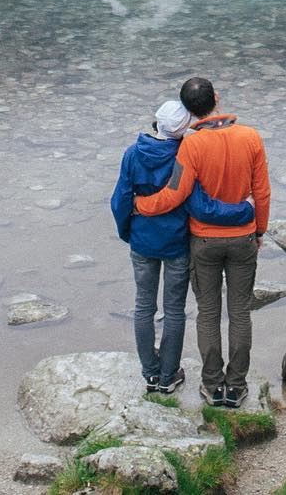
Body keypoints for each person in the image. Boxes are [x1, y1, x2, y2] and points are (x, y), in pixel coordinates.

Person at [134, 77, 270, 408]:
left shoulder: (191, 146)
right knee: (240, 312)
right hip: (242, 237)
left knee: (208, 312)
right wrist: (260, 231)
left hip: (204, 240)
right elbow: (262, 192)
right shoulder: (250, 137)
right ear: (217, 98)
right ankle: (235, 387)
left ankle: (212, 385)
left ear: (190, 113)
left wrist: (140, 206)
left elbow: (175, 194)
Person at [111, 98, 254, 395]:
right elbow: (198, 203)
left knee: (143, 306)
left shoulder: (132, 153)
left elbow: (120, 200)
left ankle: (150, 373)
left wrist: (129, 231)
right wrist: (245, 211)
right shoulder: (185, 152)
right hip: (177, 242)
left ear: (157, 122)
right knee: (174, 310)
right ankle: (168, 376)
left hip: (142, 241)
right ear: (184, 127)